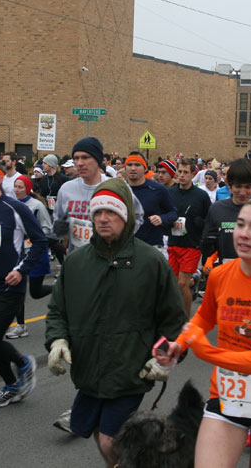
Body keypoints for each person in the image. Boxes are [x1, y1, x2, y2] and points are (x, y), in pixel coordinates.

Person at [45, 179, 186, 467]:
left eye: (111, 213)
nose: (103, 219)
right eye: (97, 213)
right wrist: (57, 339)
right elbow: (58, 310)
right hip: (89, 370)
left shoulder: (151, 261)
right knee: (100, 435)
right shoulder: (76, 262)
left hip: (130, 369)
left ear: (127, 217)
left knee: (111, 439)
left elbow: (173, 319)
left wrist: (166, 357)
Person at [156, 198, 251, 468]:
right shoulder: (220, 274)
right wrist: (180, 343)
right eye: (240, 224)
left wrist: (206, 350)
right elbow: (204, 317)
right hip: (229, 393)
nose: (244, 233)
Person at [0, 157, 48, 408]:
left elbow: (39, 242)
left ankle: (22, 366)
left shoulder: (15, 208)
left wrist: (21, 270)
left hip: (10, 286)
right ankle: (12, 382)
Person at [6, 175, 53, 339]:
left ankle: (59, 288)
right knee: (17, 291)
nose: (17, 190)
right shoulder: (11, 206)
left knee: (36, 292)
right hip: (18, 254)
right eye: (16, 186)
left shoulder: (37, 206)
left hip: (36, 254)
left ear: (28, 188)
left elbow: (48, 229)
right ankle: (21, 326)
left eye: (21, 187)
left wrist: (32, 236)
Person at [168, 158, 212, 316]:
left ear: (193, 174)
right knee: (173, 285)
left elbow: (210, 219)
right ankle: (192, 285)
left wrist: (201, 223)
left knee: (181, 284)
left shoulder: (201, 196)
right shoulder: (170, 193)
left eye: (186, 172)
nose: (182, 175)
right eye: (180, 171)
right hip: (173, 243)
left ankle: (184, 321)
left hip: (192, 245)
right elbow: (163, 213)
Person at [200, 158, 251, 268]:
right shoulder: (217, 209)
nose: (242, 192)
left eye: (247, 187)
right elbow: (206, 246)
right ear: (229, 186)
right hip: (223, 271)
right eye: (238, 186)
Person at [124, 152, 177, 252]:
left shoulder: (158, 189)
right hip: (125, 246)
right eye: (129, 165)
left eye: (137, 165)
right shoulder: (120, 189)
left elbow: (173, 213)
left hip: (151, 246)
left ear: (145, 168)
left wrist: (162, 218)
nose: (133, 168)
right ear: (125, 168)